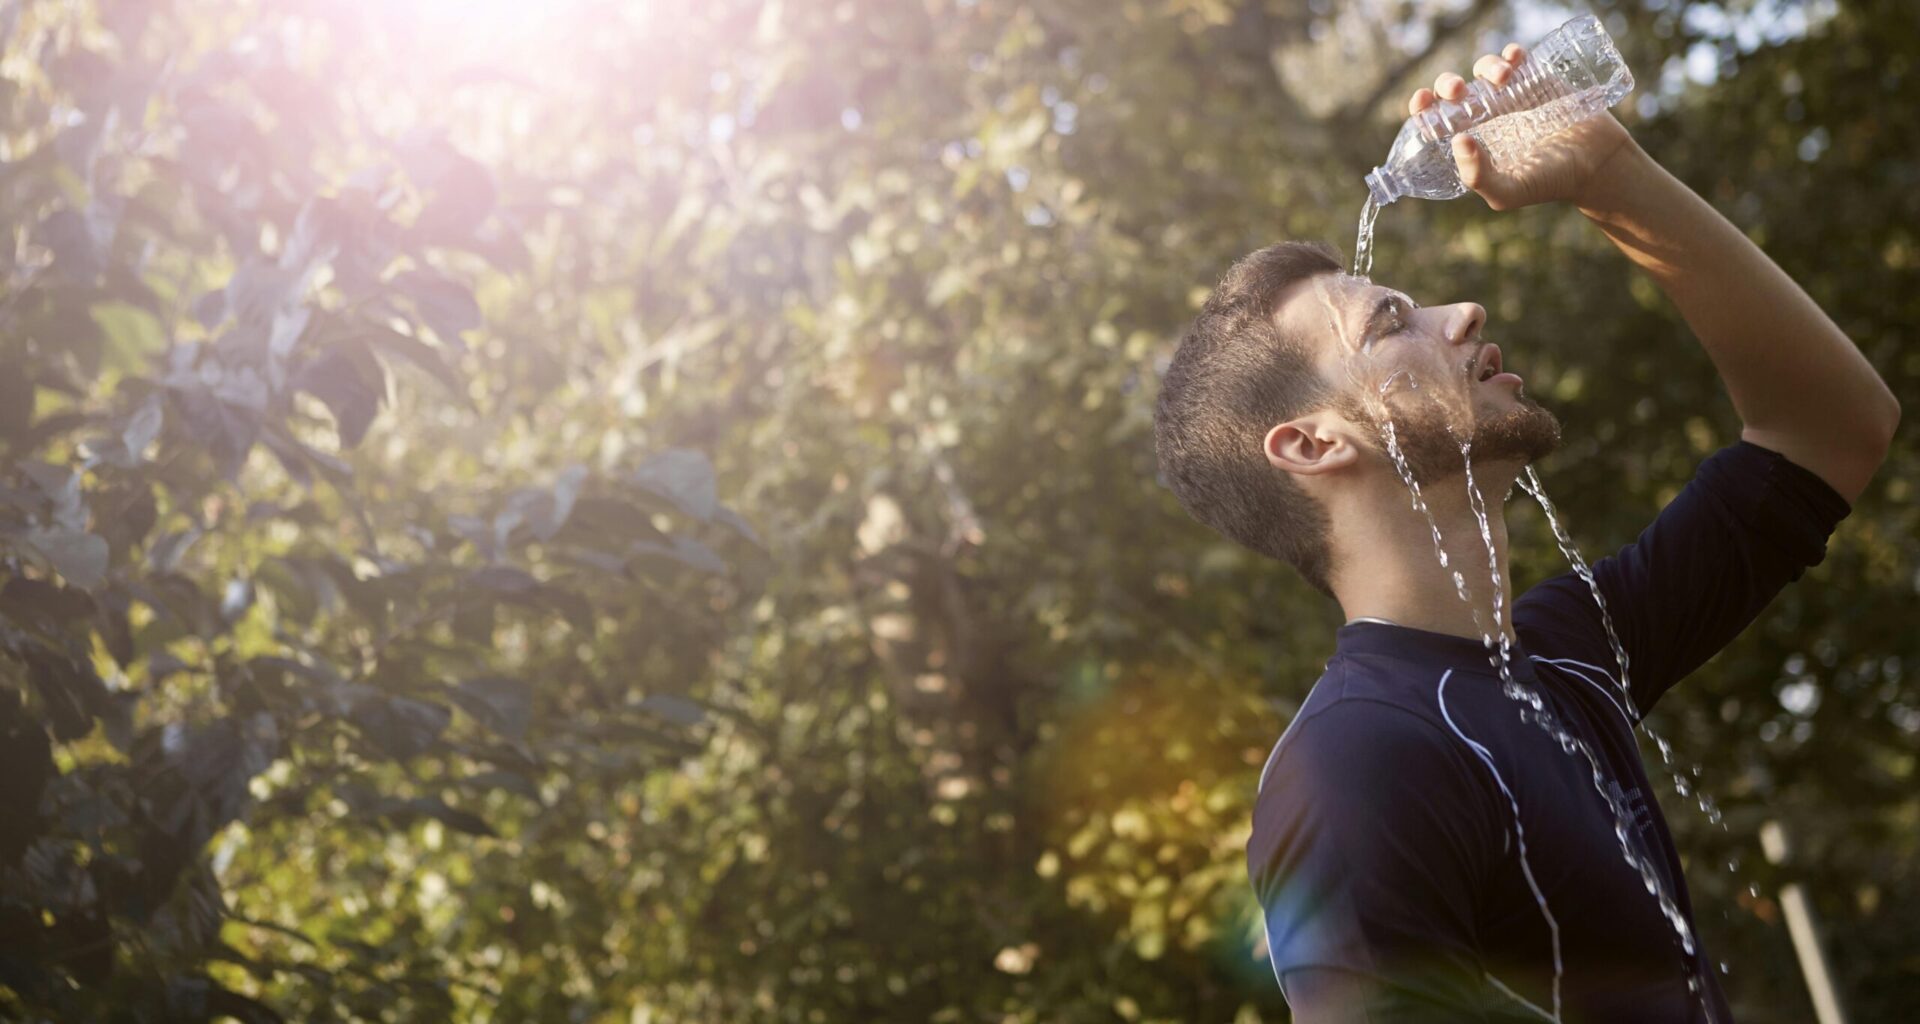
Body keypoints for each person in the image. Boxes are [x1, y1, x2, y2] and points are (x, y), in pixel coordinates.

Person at [1151, 42, 1901, 1024]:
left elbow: (1831, 429)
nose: (1464, 313)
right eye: (1391, 322)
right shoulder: (1356, 762)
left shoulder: (1569, 651)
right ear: (1313, 443)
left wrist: (1607, 173)